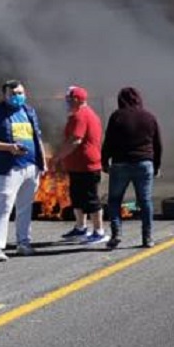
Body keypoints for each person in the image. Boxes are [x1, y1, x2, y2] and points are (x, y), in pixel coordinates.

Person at [0, 79, 47, 262]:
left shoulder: (29, 111)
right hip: (8, 168)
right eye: (13, 94)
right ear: (5, 95)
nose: (18, 97)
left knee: (25, 207)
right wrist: (8, 147)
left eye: (20, 93)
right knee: (5, 205)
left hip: (31, 166)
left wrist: (43, 161)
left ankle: (24, 243)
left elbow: (37, 137)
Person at [103, 86, 163, 249]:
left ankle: (116, 234)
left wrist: (104, 162)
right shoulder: (149, 117)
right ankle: (148, 238)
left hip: (120, 164)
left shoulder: (117, 116)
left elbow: (108, 141)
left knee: (114, 200)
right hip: (144, 164)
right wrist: (156, 165)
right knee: (145, 201)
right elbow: (157, 144)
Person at [54, 86, 107, 245]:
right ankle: (80, 227)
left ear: (76, 99)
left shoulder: (81, 115)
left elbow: (75, 140)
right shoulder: (78, 115)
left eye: (69, 99)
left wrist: (58, 156)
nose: (67, 102)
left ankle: (99, 231)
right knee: (77, 198)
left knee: (90, 199)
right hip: (77, 166)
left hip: (87, 166)